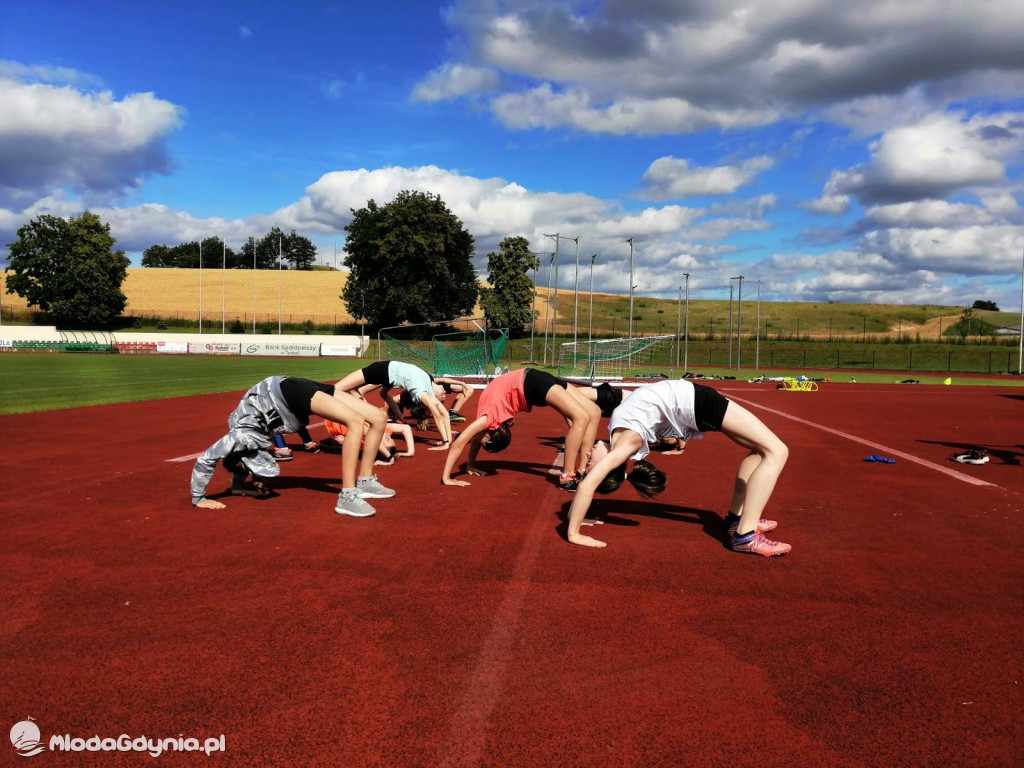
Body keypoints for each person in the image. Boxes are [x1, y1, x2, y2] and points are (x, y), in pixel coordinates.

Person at [565, 379, 791, 557]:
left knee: (760, 450)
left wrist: (576, 514)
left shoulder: (616, 431)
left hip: (693, 402)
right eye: (590, 465)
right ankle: (745, 536)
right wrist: (574, 532)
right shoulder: (625, 445)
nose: (586, 456)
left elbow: (629, 397)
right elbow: (586, 487)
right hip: (697, 404)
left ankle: (736, 519)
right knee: (776, 451)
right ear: (605, 469)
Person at [190, 376, 395, 518]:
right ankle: (364, 481)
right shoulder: (243, 444)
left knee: (355, 421)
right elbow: (240, 460)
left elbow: (206, 459)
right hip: (289, 386)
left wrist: (198, 498)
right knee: (379, 417)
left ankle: (348, 494)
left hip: (285, 394)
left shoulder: (240, 437)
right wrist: (237, 484)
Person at [441, 367, 601, 491]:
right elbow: (476, 440)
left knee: (583, 417)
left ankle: (567, 477)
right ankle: (582, 470)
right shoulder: (490, 423)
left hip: (531, 383)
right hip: (534, 377)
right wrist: (470, 465)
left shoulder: (488, 419)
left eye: (482, 443)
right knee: (593, 412)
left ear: (489, 437)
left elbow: (459, 443)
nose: (477, 440)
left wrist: (447, 478)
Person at [336, 361, 454, 450]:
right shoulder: (425, 390)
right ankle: (362, 411)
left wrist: (446, 442)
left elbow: (442, 414)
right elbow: (440, 414)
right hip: (381, 370)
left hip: (386, 372)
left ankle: (366, 410)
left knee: (381, 393)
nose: (444, 391)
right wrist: (446, 441)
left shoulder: (425, 393)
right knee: (336, 389)